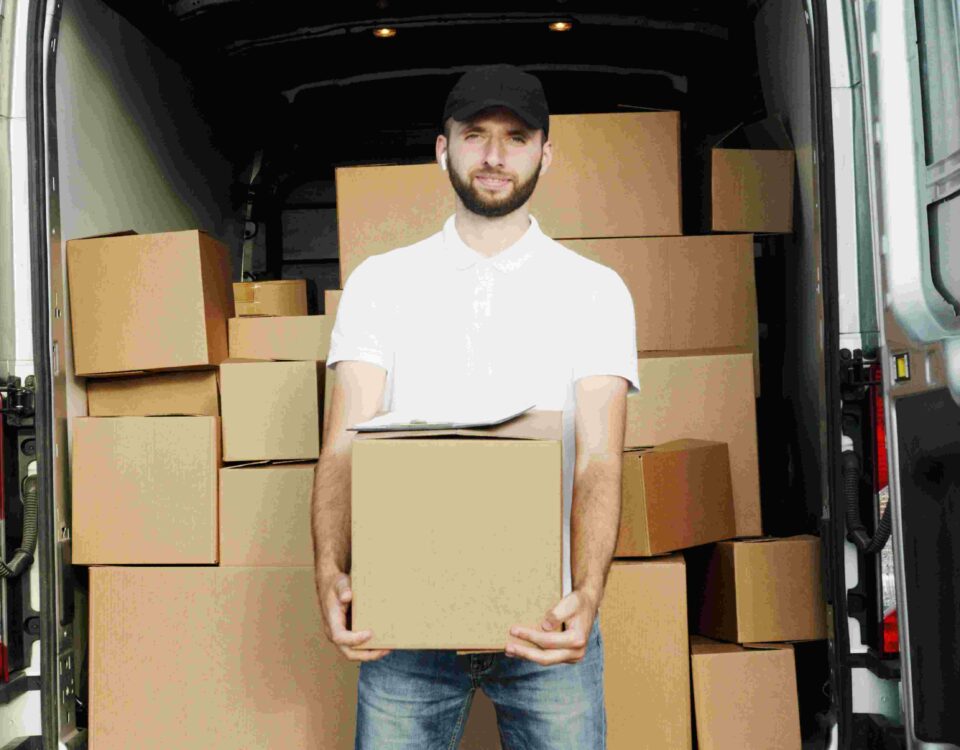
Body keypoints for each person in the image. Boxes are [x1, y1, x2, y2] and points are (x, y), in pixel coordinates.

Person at [312, 63, 640, 749]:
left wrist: (588, 593)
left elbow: (599, 461)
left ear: (546, 154)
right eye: (475, 135)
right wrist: (329, 568)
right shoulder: (381, 284)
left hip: (546, 619)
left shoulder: (594, 292)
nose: (494, 155)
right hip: (403, 626)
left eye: (516, 137)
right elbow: (343, 444)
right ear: (443, 149)